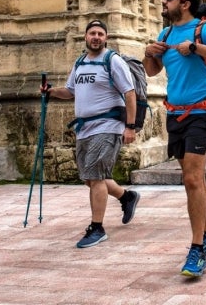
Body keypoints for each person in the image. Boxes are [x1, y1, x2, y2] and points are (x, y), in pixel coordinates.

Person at [143, 0, 206, 278]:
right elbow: (152, 71)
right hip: (176, 113)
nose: (163, 1)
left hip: (203, 112)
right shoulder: (166, 33)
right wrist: (149, 52)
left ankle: (197, 249)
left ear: (184, 3)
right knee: (195, 180)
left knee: (192, 179)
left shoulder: (204, 29)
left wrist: (196, 47)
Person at [41, 19, 141, 248]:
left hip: (107, 125)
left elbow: (130, 93)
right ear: (85, 37)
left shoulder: (112, 61)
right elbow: (71, 91)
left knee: (95, 177)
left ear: (106, 38)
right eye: (92, 33)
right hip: (84, 129)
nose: (96, 37)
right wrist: (51, 92)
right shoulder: (80, 63)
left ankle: (97, 227)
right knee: (90, 177)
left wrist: (130, 126)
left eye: (100, 33)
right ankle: (126, 197)